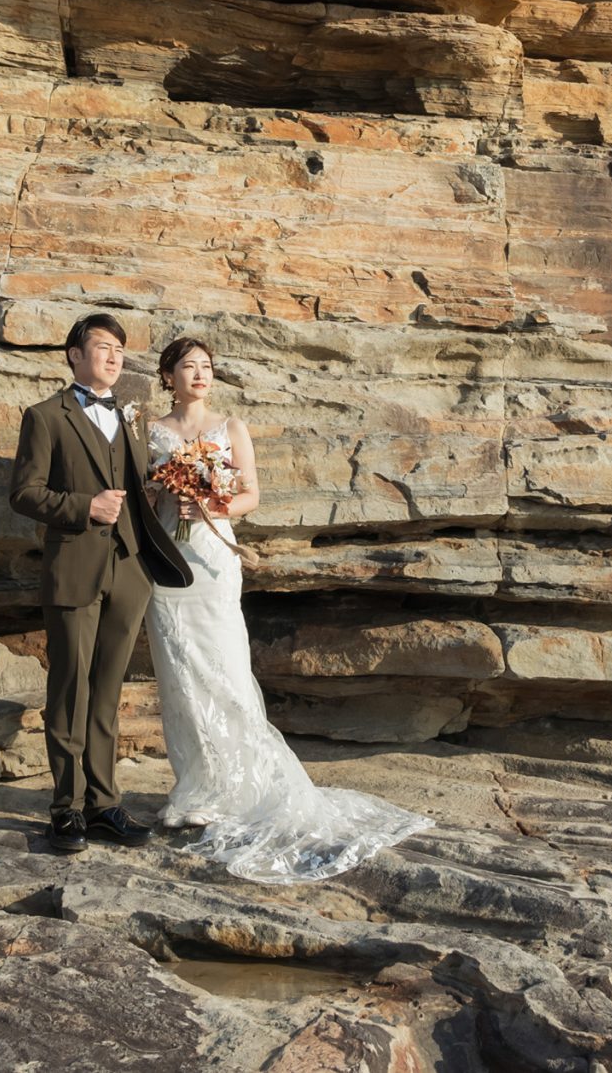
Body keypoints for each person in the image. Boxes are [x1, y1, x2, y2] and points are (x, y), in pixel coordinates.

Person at [142, 334, 431, 882]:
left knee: (224, 668)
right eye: (188, 366)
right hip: (165, 558)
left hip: (211, 557)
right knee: (179, 672)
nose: (200, 374)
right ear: (168, 375)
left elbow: (250, 495)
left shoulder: (230, 428)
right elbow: (141, 493)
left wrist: (206, 496)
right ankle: (195, 788)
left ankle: (243, 785)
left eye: (207, 365)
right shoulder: (152, 432)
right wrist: (163, 489)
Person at [7, 312, 192, 855]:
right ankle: (66, 809)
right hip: (74, 567)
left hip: (130, 568)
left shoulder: (131, 419)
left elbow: (137, 486)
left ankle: (105, 804)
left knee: (107, 692)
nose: (113, 357)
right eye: (103, 347)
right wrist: (83, 506)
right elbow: (23, 494)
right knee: (70, 688)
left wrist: (170, 491)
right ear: (74, 355)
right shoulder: (45, 417)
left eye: (119, 350)